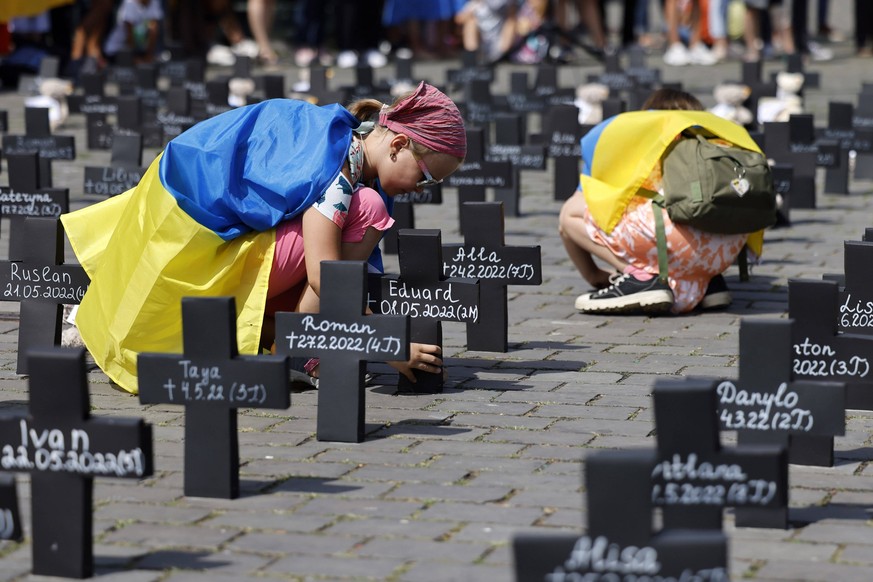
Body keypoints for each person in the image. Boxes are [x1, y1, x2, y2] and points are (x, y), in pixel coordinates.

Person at [60, 82, 466, 394]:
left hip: (168, 228)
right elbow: (328, 277)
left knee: (353, 217)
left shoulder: (335, 131)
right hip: (195, 249)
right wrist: (387, 344)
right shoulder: (340, 176)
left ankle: (295, 340)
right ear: (397, 144)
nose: (422, 190)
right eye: (427, 176)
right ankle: (299, 349)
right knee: (366, 210)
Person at [558, 88, 765, 315]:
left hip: (673, 242)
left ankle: (638, 278)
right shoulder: (719, 132)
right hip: (724, 251)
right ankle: (709, 283)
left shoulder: (633, 129)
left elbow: (585, 193)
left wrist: (594, 275)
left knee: (571, 212)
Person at [102, 0, 163, 64]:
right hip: (116, 51)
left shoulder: (154, 1)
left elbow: (154, 29)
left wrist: (148, 57)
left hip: (139, 50)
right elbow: (129, 36)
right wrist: (134, 59)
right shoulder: (129, 3)